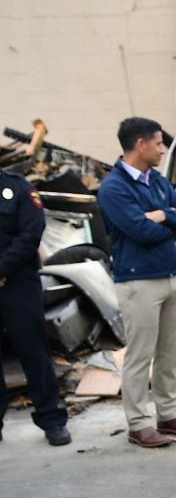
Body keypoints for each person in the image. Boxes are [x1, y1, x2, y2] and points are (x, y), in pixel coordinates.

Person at [97, 117, 176, 448]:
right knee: (141, 356)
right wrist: (169, 219)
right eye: (158, 143)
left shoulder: (155, 180)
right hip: (138, 281)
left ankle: (169, 414)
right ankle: (138, 423)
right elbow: (139, 231)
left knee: (170, 352)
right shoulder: (113, 188)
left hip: (170, 276)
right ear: (140, 144)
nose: (161, 150)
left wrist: (165, 216)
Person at [0, 168, 71, 446]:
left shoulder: (17, 187)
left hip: (18, 283)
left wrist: (2, 269)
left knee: (33, 351)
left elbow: (31, 233)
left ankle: (51, 419)